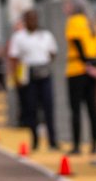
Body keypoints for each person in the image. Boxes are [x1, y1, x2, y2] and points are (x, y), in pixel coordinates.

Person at [7, 9, 58, 152]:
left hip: (44, 71)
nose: (32, 21)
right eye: (29, 19)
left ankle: (52, 140)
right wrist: (15, 77)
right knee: (31, 108)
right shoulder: (18, 37)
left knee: (48, 106)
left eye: (34, 18)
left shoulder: (45, 35)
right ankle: (34, 139)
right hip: (28, 73)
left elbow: (53, 52)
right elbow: (13, 59)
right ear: (25, 20)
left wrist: (46, 63)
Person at [64, 0, 96, 155]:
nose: (65, 8)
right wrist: (95, 64)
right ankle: (95, 144)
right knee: (92, 108)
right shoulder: (92, 22)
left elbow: (77, 43)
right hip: (93, 70)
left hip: (76, 69)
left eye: (67, 5)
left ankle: (76, 145)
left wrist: (85, 62)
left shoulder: (73, 22)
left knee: (75, 109)